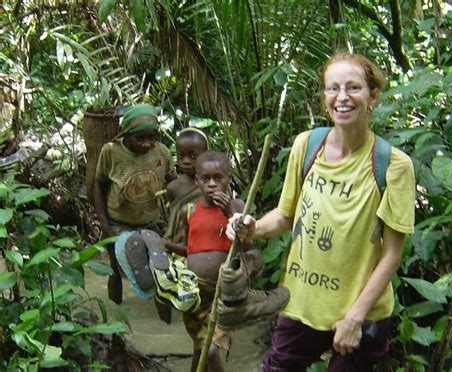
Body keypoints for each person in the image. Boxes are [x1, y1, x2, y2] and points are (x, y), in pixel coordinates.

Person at [226, 52, 415, 371]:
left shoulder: (393, 165)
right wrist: (251, 228)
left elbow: (391, 255)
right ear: (324, 96)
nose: (342, 97)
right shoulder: (306, 145)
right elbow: (285, 217)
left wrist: (354, 318)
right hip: (301, 304)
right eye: (333, 88)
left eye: (353, 88)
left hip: (359, 314)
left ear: (373, 96)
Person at [165, 151, 253, 372]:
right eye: (205, 178)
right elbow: (189, 249)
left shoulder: (238, 206)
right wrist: (162, 244)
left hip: (224, 292)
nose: (212, 184)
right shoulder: (189, 210)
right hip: (195, 291)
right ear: (197, 181)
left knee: (211, 350)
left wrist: (229, 212)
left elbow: (248, 247)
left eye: (218, 178)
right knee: (200, 348)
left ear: (228, 179)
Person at [94, 103, 177, 304]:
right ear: (127, 134)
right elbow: (99, 185)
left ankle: (164, 324)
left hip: (150, 221)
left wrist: (178, 218)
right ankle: (116, 319)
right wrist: (104, 223)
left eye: (152, 138)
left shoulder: (162, 153)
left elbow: (173, 183)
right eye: (140, 138)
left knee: (158, 269)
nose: (147, 144)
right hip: (117, 221)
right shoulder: (111, 152)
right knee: (114, 267)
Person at [155, 127, 209, 323]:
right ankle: (166, 326)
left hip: (201, 245)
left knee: (195, 288)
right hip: (177, 242)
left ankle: (193, 318)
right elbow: (174, 217)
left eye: (193, 156)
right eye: (181, 156)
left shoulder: (212, 186)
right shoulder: (173, 187)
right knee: (164, 284)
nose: (186, 161)